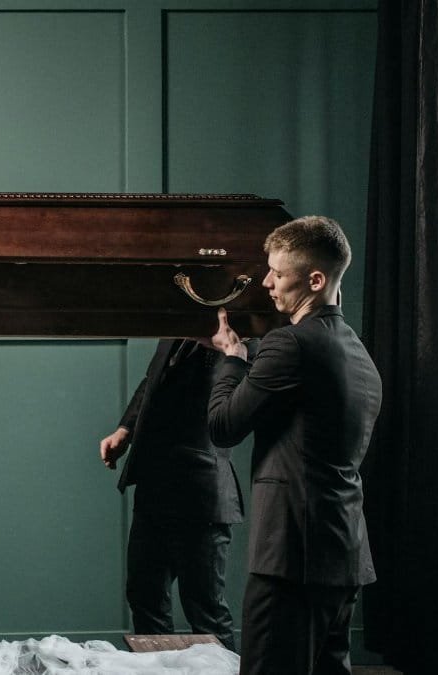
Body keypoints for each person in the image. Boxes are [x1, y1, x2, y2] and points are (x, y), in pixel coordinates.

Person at [206, 215, 382, 675]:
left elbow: (223, 427)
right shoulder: (358, 352)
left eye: (278, 273)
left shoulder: (290, 345)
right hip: (345, 554)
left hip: (292, 559)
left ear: (316, 279)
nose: (266, 282)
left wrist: (232, 361)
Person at [99, 339, 244, 651]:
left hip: (203, 495)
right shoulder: (175, 328)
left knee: (206, 612)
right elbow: (153, 381)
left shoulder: (243, 339)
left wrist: (228, 349)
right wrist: (125, 430)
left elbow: (231, 408)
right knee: (144, 598)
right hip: (154, 487)